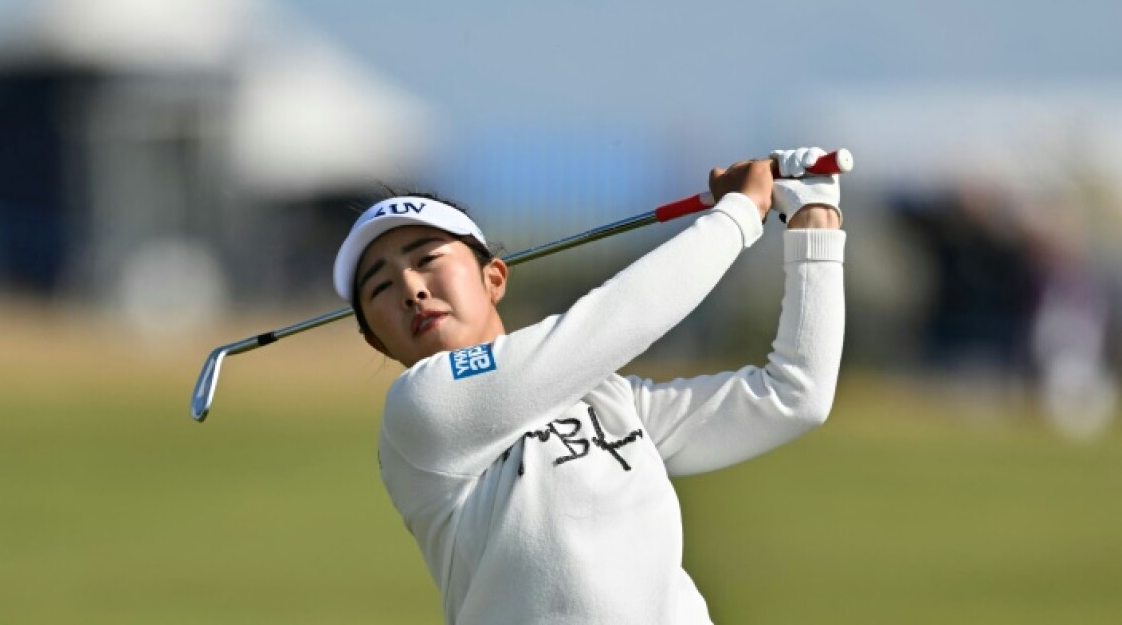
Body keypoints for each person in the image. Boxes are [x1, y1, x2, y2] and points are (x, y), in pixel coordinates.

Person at [331, 147, 846, 624]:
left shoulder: (610, 398)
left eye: (427, 259)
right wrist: (738, 214)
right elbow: (619, 317)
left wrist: (814, 224)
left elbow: (794, 396)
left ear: (494, 278)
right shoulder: (420, 406)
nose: (412, 289)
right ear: (376, 340)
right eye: (381, 286)